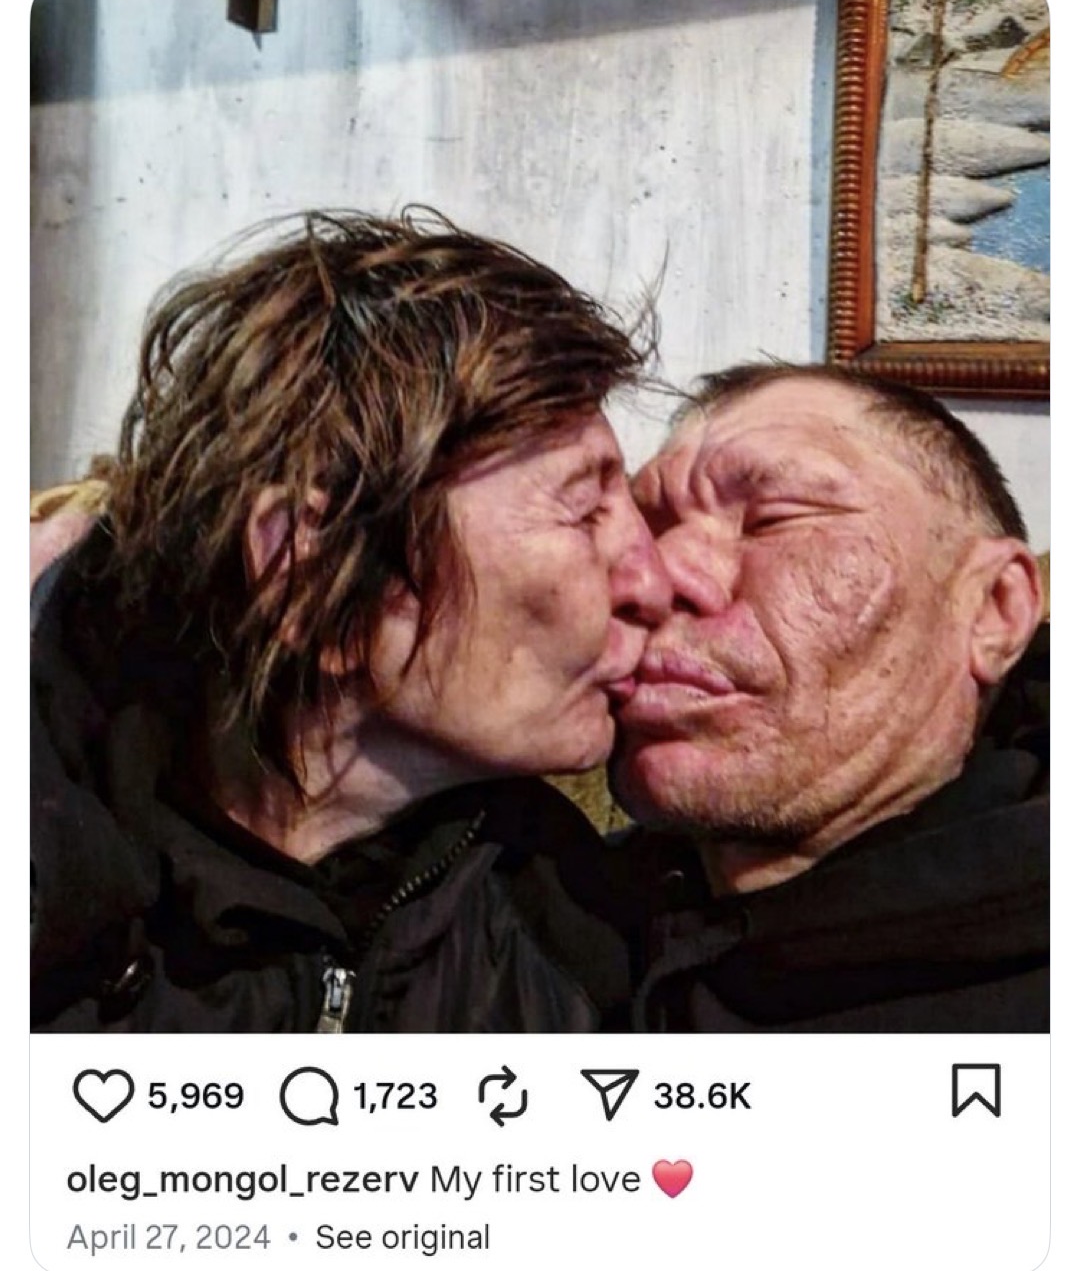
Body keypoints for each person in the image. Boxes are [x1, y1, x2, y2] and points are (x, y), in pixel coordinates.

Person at [32, 210, 671, 1033]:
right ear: (309, 573)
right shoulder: (54, 916)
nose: (653, 581)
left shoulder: (569, 928)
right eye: (584, 513)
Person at [613, 363, 1048, 1031]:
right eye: (643, 535)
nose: (655, 577)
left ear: (994, 609)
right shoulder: (535, 911)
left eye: (774, 519)